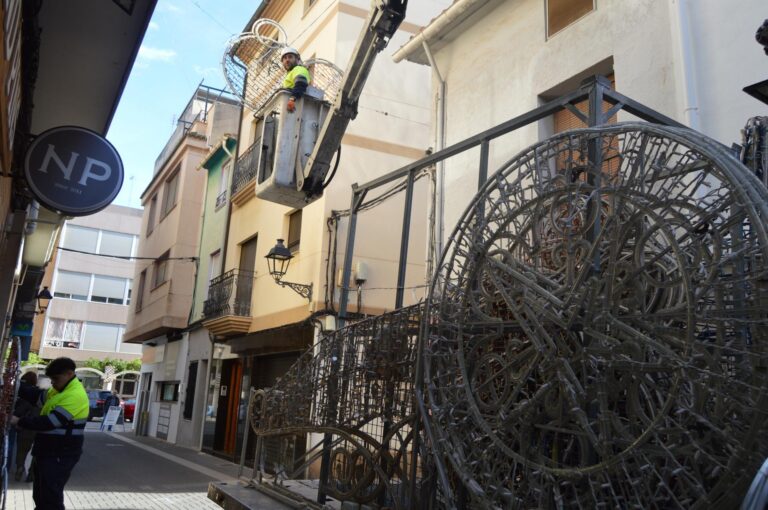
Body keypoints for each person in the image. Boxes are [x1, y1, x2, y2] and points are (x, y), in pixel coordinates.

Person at [11, 357, 89, 510]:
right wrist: (15, 385)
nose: (52, 382)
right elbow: (37, 396)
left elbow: (50, 422)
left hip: (60, 454)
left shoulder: (75, 395)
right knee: (41, 496)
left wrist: (18, 421)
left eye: (55, 379)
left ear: (69, 374)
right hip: (49, 452)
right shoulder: (60, 389)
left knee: (50, 498)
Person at [13, 371, 40, 482]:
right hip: (38, 425)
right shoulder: (39, 393)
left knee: (22, 450)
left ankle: (20, 467)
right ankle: (31, 474)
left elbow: (18, 410)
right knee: (36, 451)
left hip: (25, 425)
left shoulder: (22, 391)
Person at [280, 47, 310, 113]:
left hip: (295, 108)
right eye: (285, 58)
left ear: (297, 59)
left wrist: (292, 99)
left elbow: (301, 83)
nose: (287, 60)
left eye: (290, 57)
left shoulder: (299, 69)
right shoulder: (289, 74)